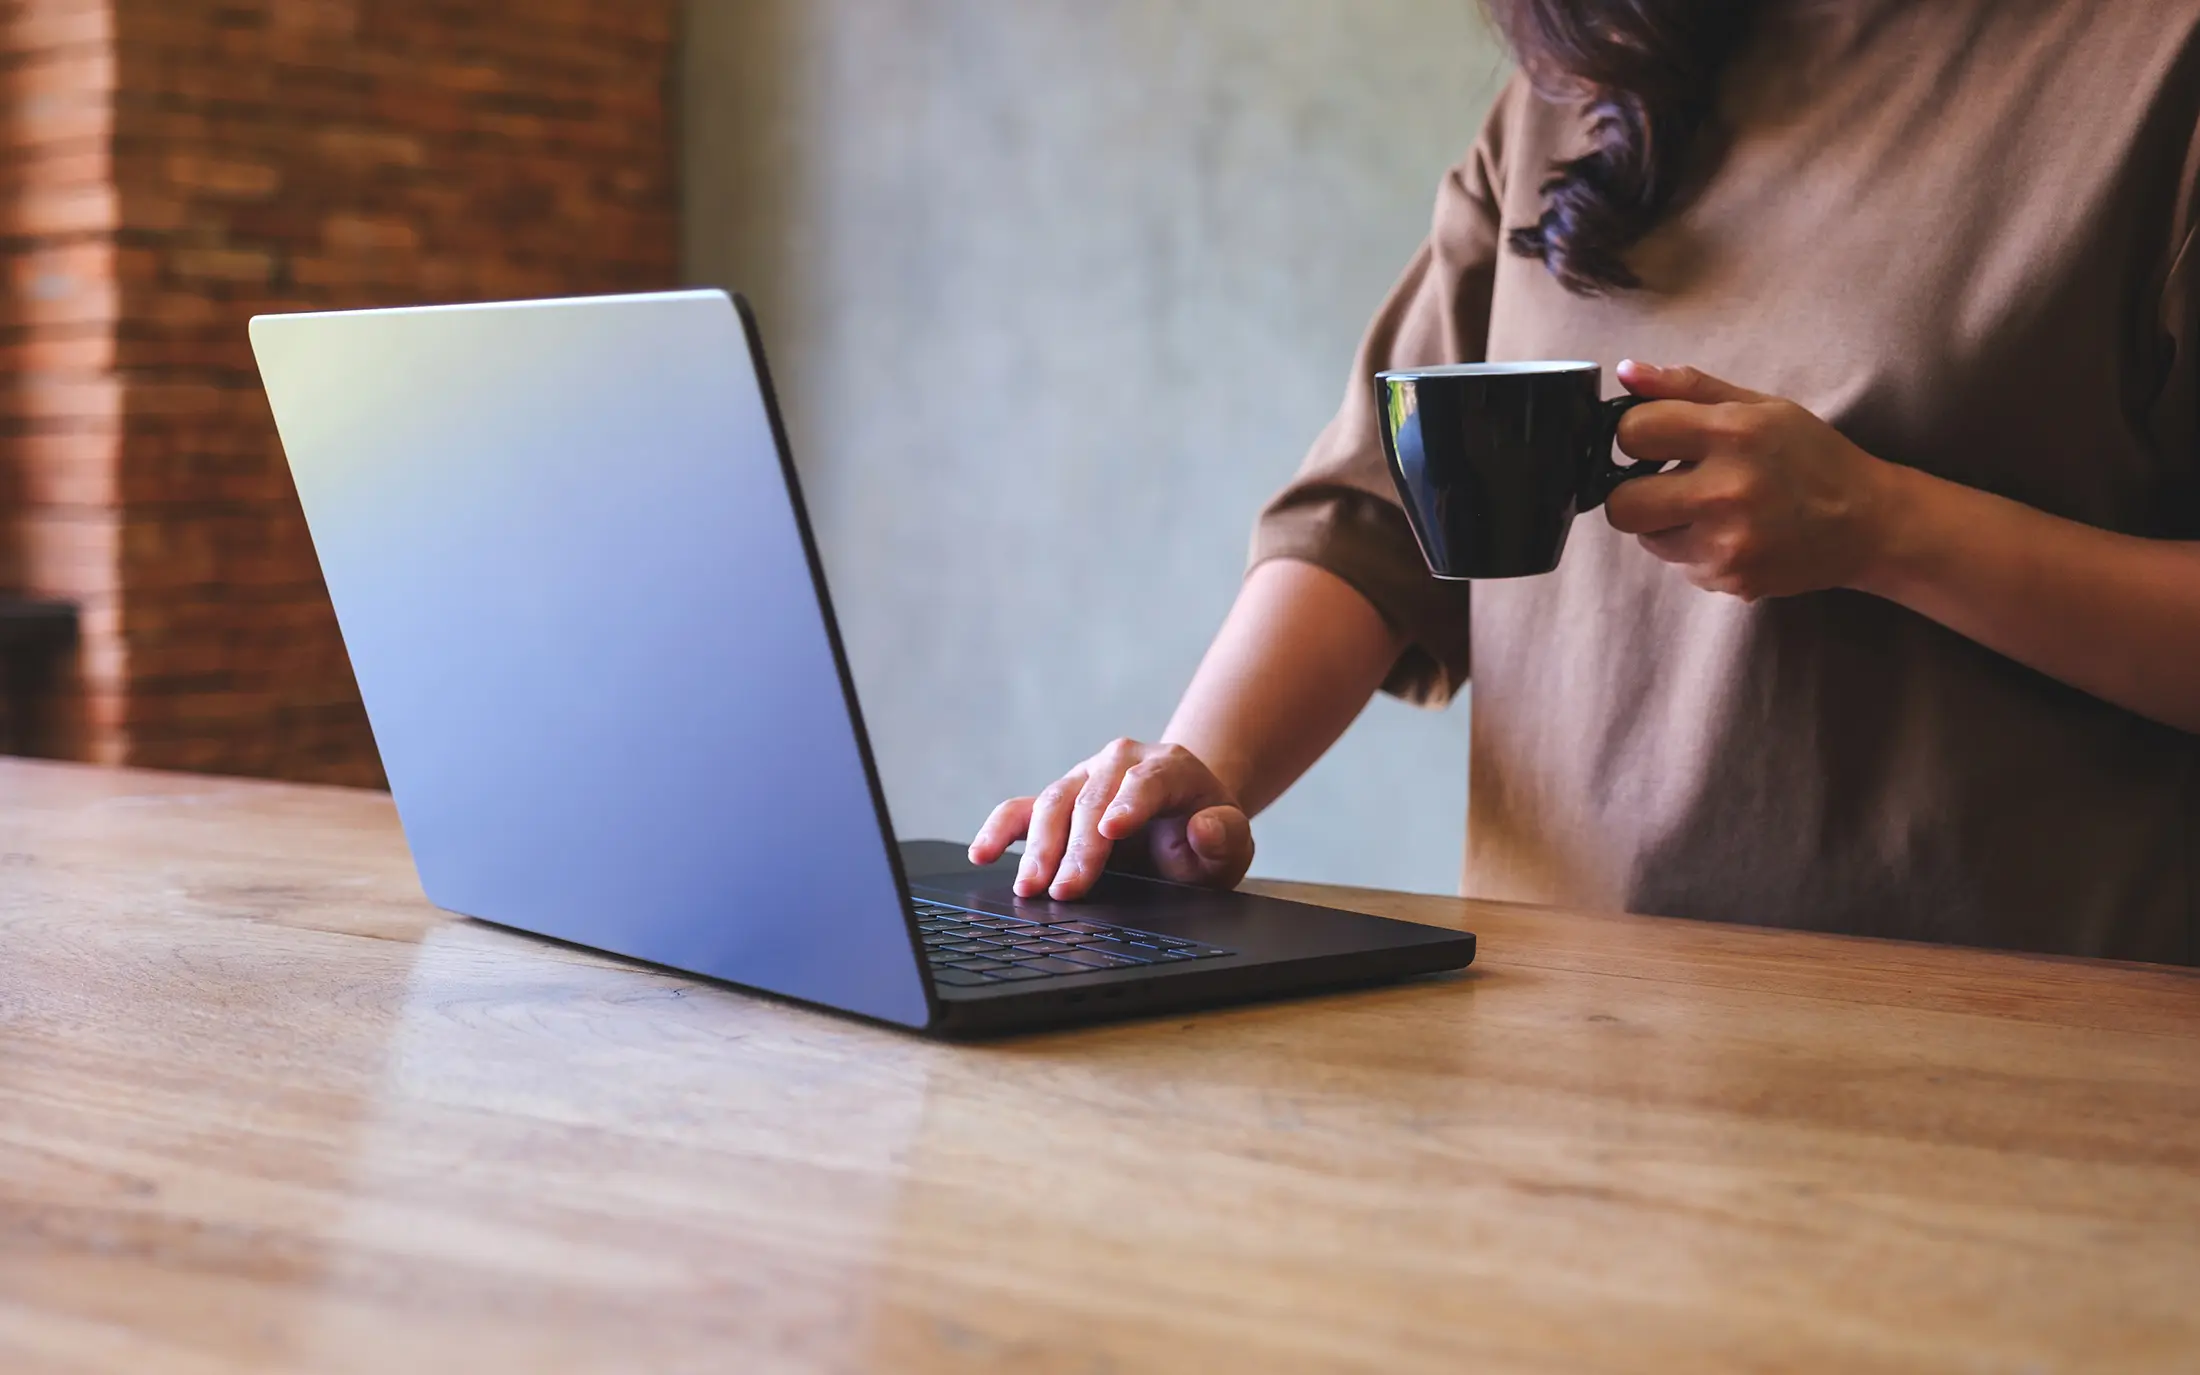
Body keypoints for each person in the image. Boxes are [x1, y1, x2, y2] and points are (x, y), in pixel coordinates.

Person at [972, 0, 2200, 965]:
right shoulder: (1587, 73)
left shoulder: (2154, 66)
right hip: (1549, 1026)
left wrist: (1887, 527)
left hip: (1998, 1051)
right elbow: (1372, 516)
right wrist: (1198, 774)